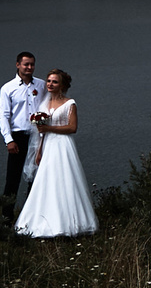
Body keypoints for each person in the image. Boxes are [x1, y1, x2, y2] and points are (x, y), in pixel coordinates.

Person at [15, 69, 97, 239]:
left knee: (65, 180)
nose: (50, 84)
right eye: (49, 81)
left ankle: (69, 222)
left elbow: (72, 128)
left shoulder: (70, 104)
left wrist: (49, 128)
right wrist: (39, 151)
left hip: (63, 145)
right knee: (46, 181)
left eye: (55, 82)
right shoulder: (44, 105)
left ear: (63, 85)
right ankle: (43, 220)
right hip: (48, 145)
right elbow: (41, 134)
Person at [0, 50, 41, 202]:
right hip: (18, 137)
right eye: (26, 64)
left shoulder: (41, 85)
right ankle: (6, 219)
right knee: (13, 179)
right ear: (18, 65)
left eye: (32, 64)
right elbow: (3, 116)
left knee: (36, 177)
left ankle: (31, 217)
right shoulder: (8, 88)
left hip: (38, 136)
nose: (29, 67)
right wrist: (9, 140)